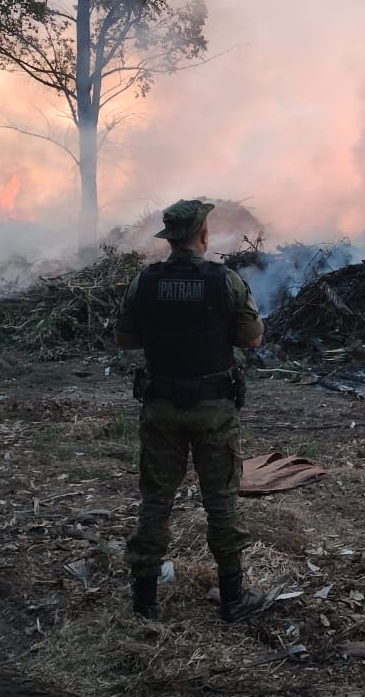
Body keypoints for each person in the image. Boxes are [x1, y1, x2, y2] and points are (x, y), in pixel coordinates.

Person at [114, 199, 267, 622]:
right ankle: (233, 600)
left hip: (161, 406)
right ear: (203, 235)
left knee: (155, 502)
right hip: (213, 407)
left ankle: (144, 605)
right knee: (221, 502)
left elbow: (126, 340)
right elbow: (251, 339)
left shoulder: (145, 282)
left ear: (169, 238)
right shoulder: (225, 281)